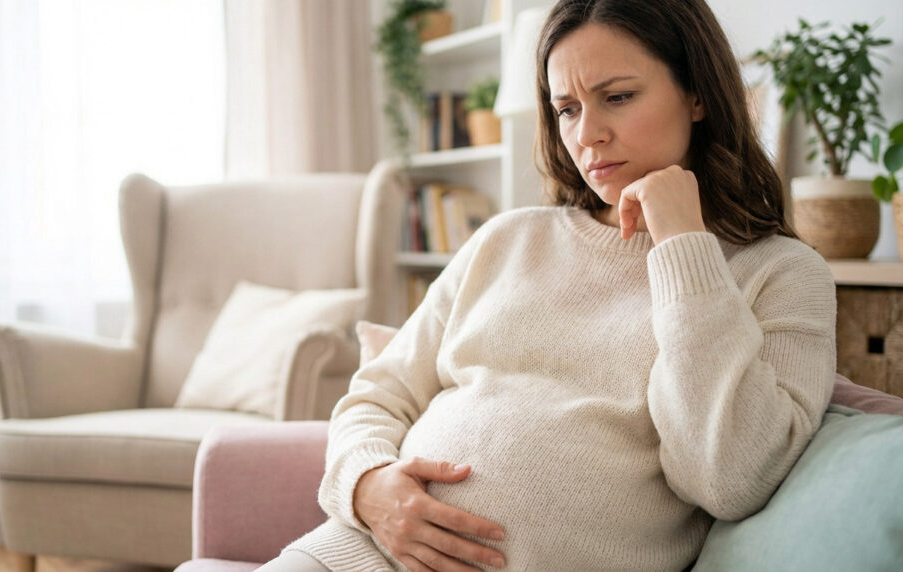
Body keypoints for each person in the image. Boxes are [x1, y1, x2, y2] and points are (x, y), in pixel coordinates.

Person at [260, 0, 836, 569]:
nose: (588, 135)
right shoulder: (507, 239)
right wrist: (367, 487)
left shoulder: (782, 273)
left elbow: (729, 478)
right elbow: (377, 394)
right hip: (354, 554)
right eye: (566, 109)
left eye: (617, 97)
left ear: (698, 93)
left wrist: (684, 246)